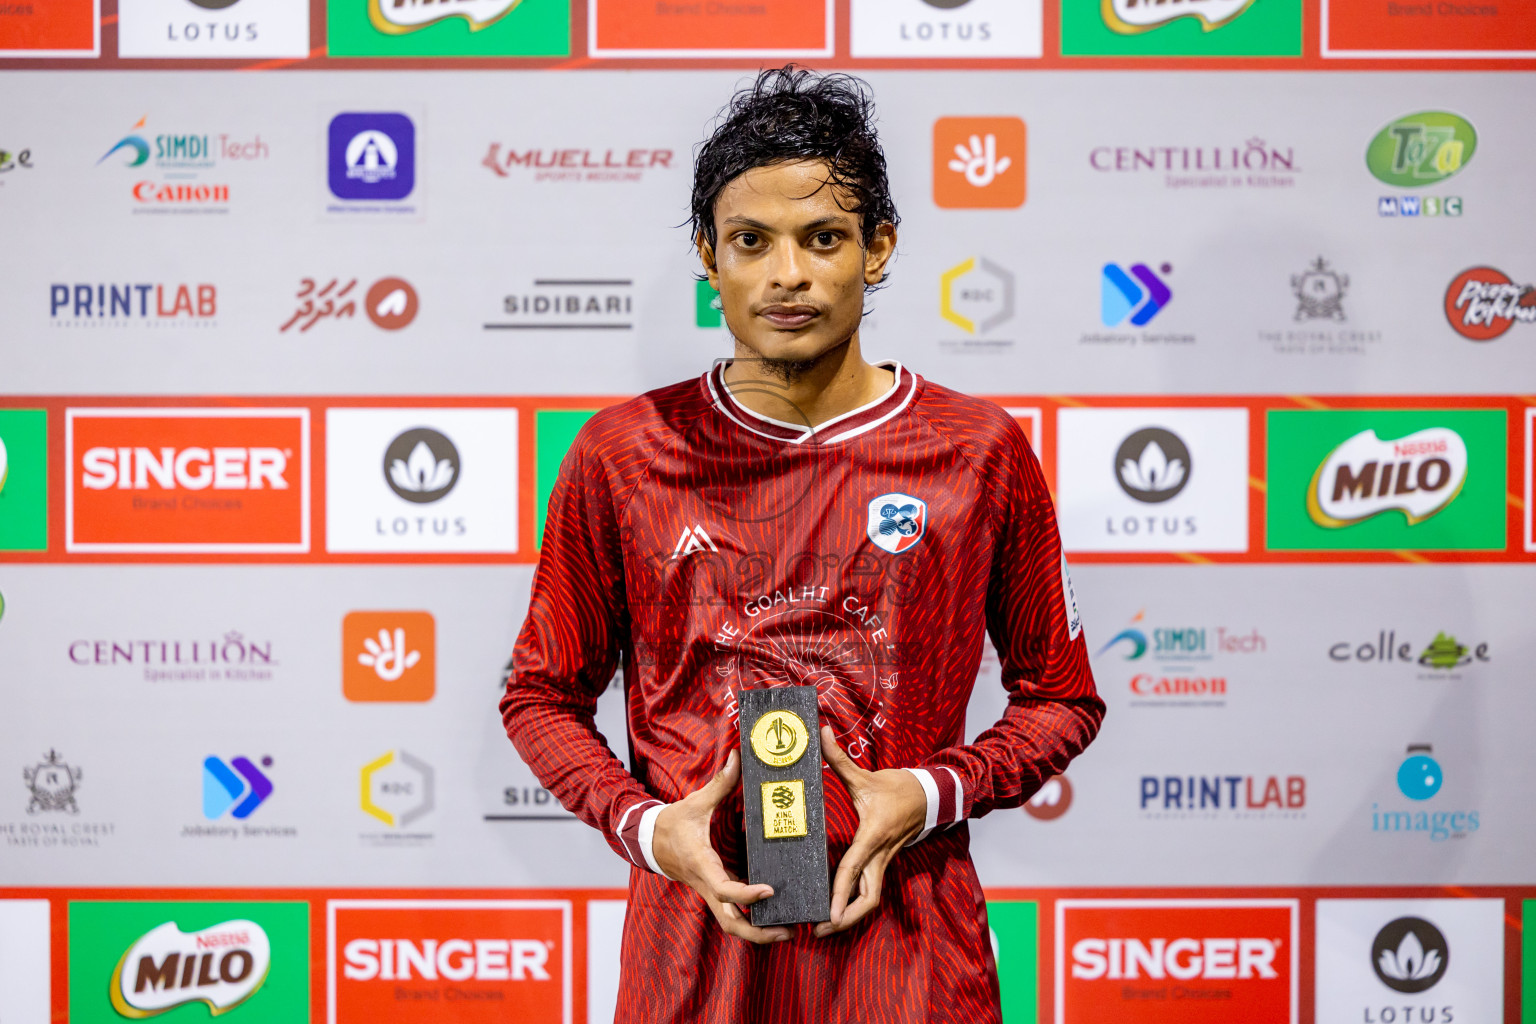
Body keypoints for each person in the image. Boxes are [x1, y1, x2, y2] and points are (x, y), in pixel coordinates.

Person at [501, 66, 1104, 1023]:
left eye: (823, 238)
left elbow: (1062, 697)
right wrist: (651, 830)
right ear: (709, 256)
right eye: (751, 242)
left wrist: (933, 791)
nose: (788, 274)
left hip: (911, 960)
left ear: (878, 249)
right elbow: (540, 696)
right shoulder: (623, 455)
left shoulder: (976, 452)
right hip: (693, 964)